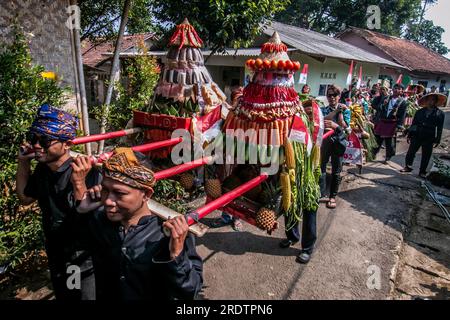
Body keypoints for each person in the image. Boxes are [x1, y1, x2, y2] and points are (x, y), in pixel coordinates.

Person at [76, 148, 203, 300]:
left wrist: (177, 255)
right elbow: (73, 250)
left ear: (146, 195)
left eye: (120, 193)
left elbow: (191, 292)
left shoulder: (169, 234)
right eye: (105, 190)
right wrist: (80, 205)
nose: (108, 201)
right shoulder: (100, 222)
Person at [16, 104, 101, 300]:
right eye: (33, 138)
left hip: (81, 257)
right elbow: (25, 198)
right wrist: (23, 162)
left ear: (67, 144)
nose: (37, 145)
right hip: (56, 252)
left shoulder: (86, 172)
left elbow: (91, 219)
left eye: (44, 140)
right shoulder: (43, 170)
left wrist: (79, 182)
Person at [279, 99, 319, 264]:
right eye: (305, 112)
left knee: (309, 209)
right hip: (293, 173)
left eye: (311, 113)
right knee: (290, 207)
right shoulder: (292, 126)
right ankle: (292, 236)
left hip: (309, 176)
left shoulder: (316, 130)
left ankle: (307, 248)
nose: (307, 115)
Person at [401, 93, 446, 178]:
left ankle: (422, 171)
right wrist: (410, 134)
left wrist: (438, 139)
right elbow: (414, 124)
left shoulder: (440, 114)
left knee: (426, 155)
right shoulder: (419, 112)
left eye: (432, 100)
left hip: (429, 136)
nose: (430, 102)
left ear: (435, 101)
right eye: (428, 99)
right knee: (411, 152)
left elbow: (440, 128)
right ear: (426, 101)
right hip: (417, 134)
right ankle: (408, 167)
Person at [319, 85, 350, 209]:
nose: (332, 98)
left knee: (336, 171)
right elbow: (323, 122)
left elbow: (346, 129)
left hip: (339, 142)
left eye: (334, 95)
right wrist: (336, 115)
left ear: (339, 96)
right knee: (321, 167)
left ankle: (332, 196)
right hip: (325, 142)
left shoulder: (346, 110)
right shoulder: (323, 110)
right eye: (329, 95)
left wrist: (335, 124)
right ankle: (320, 193)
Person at [371, 83, 408, 162]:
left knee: (389, 141)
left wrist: (399, 126)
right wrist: (382, 104)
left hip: (392, 123)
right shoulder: (386, 98)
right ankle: (373, 154)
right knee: (377, 138)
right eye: (395, 88)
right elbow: (378, 108)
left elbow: (402, 115)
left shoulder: (403, 102)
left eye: (398, 88)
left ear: (402, 91)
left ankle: (388, 157)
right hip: (382, 121)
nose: (396, 90)